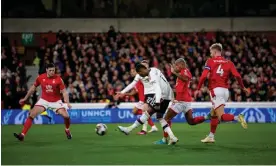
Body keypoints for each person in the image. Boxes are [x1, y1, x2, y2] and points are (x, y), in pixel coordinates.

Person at [197, 43, 249, 143]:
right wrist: (243, 87)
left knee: (221, 116)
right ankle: (211, 136)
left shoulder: (210, 61)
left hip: (216, 91)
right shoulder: (229, 62)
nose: (210, 54)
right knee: (213, 113)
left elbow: (203, 76)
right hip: (225, 91)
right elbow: (238, 76)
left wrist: (198, 88)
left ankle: (238, 117)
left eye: (211, 52)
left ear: (215, 51)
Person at [117, 63, 178, 145]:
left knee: (147, 113)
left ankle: (129, 129)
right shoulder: (154, 69)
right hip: (167, 96)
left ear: (142, 70)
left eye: (140, 74)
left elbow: (157, 88)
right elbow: (166, 82)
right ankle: (172, 137)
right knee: (159, 117)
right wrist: (172, 97)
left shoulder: (151, 75)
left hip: (161, 96)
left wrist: (157, 102)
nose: (141, 76)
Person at [154, 58, 209, 144]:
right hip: (185, 101)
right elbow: (179, 88)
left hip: (181, 102)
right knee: (191, 121)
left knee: (166, 119)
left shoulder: (184, 71)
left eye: (177, 65)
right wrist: (174, 98)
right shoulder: (182, 72)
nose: (175, 67)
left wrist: (174, 72)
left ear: (182, 65)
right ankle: (207, 117)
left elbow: (186, 79)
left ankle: (165, 139)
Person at [14, 63, 72, 141]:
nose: (52, 72)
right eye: (50, 70)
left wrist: (67, 102)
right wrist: (25, 98)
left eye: (53, 70)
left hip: (56, 102)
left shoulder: (58, 79)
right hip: (44, 100)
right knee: (32, 114)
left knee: (66, 116)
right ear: (46, 70)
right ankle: (22, 135)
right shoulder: (41, 78)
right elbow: (32, 88)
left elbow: (64, 92)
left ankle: (67, 129)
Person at [117, 68, 158, 135]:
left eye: (133, 71)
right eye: (131, 72)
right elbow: (133, 93)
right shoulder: (136, 83)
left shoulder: (141, 79)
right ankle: (153, 126)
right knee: (135, 112)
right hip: (141, 100)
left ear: (137, 72)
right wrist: (124, 94)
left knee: (143, 112)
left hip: (145, 99)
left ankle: (144, 130)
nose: (131, 73)